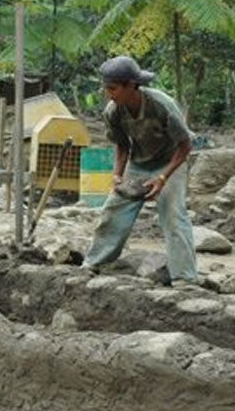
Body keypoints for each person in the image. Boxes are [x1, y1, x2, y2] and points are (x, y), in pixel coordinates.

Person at [82, 56, 198, 284]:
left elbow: (185, 145)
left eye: (113, 88)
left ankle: (185, 278)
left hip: (170, 162)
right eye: (106, 88)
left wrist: (163, 178)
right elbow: (122, 145)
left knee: (173, 215)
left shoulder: (161, 105)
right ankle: (95, 263)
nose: (108, 94)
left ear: (131, 85)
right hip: (139, 164)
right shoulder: (113, 111)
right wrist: (117, 176)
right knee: (113, 211)